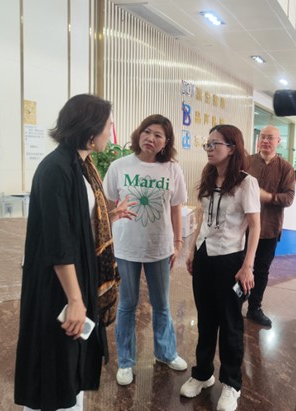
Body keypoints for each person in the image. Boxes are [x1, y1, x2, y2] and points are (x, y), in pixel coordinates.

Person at [15, 94, 135, 411]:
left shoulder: (81, 165)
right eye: (108, 126)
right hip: (58, 285)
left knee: (71, 361)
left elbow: (77, 222)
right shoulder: (56, 169)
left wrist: (109, 216)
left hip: (76, 276)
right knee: (53, 362)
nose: (111, 133)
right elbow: (59, 244)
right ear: (89, 130)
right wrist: (75, 300)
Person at [103, 114, 188, 386]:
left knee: (161, 304)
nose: (151, 138)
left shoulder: (172, 169)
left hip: (159, 247)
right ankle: (126, 361)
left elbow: (176, 208)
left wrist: (177, 242)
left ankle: (166, 352)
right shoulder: (119, 166)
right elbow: (106, 206)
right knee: (127, 305)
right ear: (139, 133)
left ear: (166, 142)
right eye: (147, 131)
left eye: (158, 135)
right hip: (126, 246)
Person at [180, 124, 260, 411]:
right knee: (205, 320)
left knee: (230, 323)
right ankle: (203, 374)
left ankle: (231, 384)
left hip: (230, 260)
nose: (209, 149)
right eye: (208, 144)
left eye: (215, 144)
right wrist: (192, 250)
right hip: (205, 255)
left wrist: (248, 266)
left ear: (232, 148)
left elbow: (255, 226)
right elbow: (203, 216)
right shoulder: (208, 175)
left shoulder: (246, 182)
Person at [246, 125, 295, 326]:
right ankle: (235, 302)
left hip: (269, 228)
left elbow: (289, 198)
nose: (265, 141)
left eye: (270, 138)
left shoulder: (285, 168)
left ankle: (254, 307)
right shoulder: (246, 162)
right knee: (239, 266)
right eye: (263, 137)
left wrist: (268, 197)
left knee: (261, 270)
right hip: (243, 228)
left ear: (278, 141)